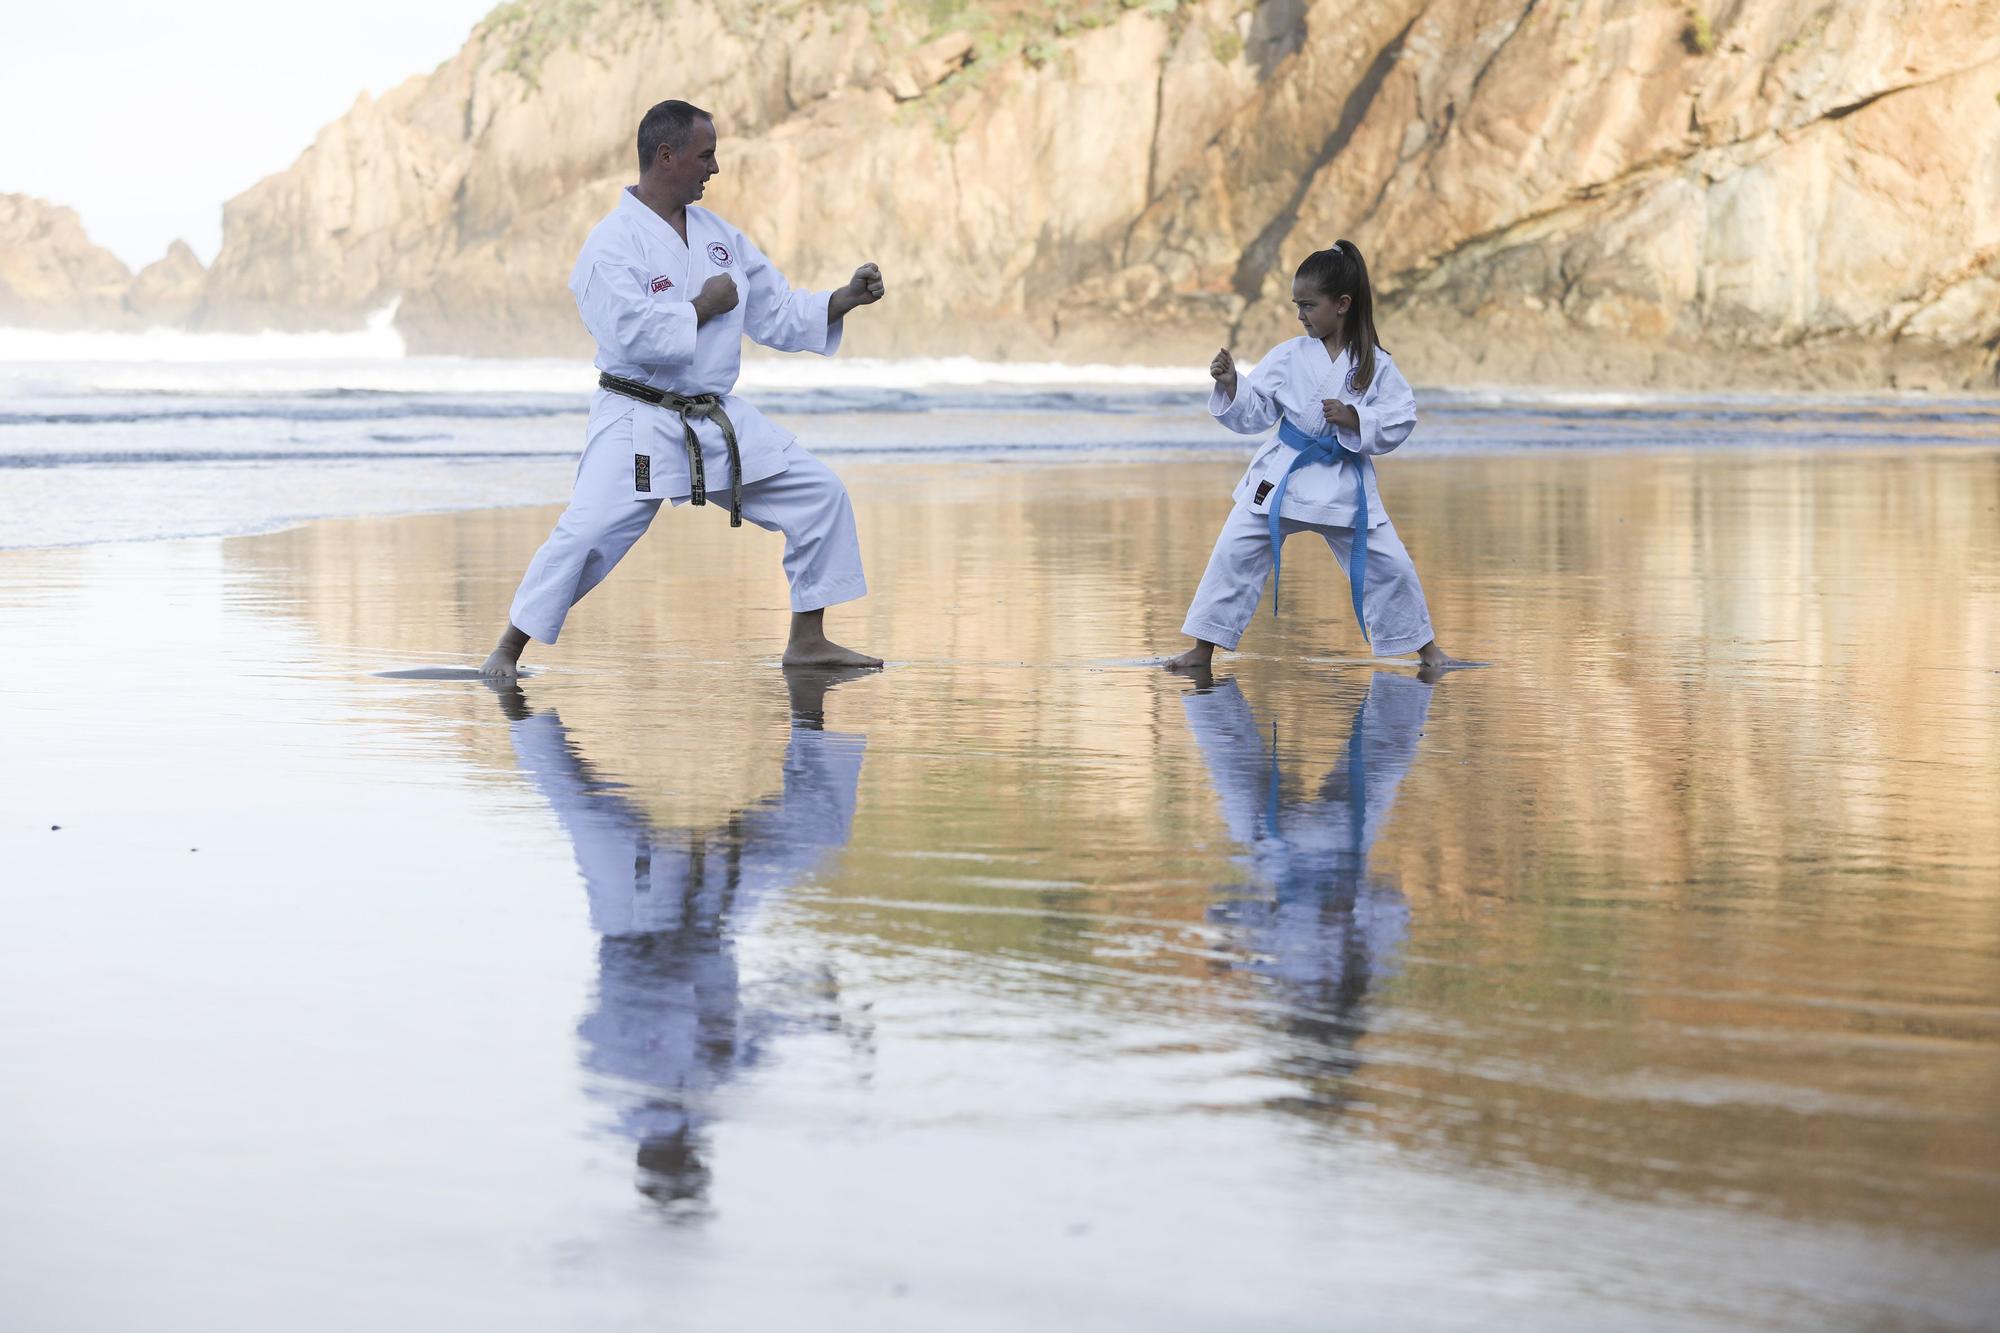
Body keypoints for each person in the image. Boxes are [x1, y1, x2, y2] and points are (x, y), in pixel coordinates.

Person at [481, 99, 886, 678]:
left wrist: (844, 298)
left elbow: (776, 309)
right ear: (666, 156)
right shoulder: (611, 245)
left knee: (819, 494)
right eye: (706, 155)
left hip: (714, 416)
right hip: (637, 416)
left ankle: (807, 639)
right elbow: (627, 333)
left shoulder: (721, 238)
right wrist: (701, 306)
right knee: (587, 533)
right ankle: (507, 650)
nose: (714, 168)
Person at [492, 666, 873, 1209]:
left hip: (644, 914)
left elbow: (711, 1025)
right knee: (819, 827)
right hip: (693, 917)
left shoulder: (629, 1084)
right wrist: (819, 1010)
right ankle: (511, 699)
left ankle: (509, 696)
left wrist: (812, 1008)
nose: (696, 1150)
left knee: (573, 798)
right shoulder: (679, 1091)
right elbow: (756, 1034)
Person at [1164, 242, 1469, 679]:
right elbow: (1260, 411)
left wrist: (1355, 418)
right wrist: (1234, 384)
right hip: (1283, 471)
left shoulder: (1375, 365)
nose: (1301, 315)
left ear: (1342, 305)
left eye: (1309, 305)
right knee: (1233, 553)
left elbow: (1402, 418)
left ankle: (1429, 650)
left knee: (1390, 564)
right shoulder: (1289, 354)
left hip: (1344, 479)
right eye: (1296, 305)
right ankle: (1202, 648)